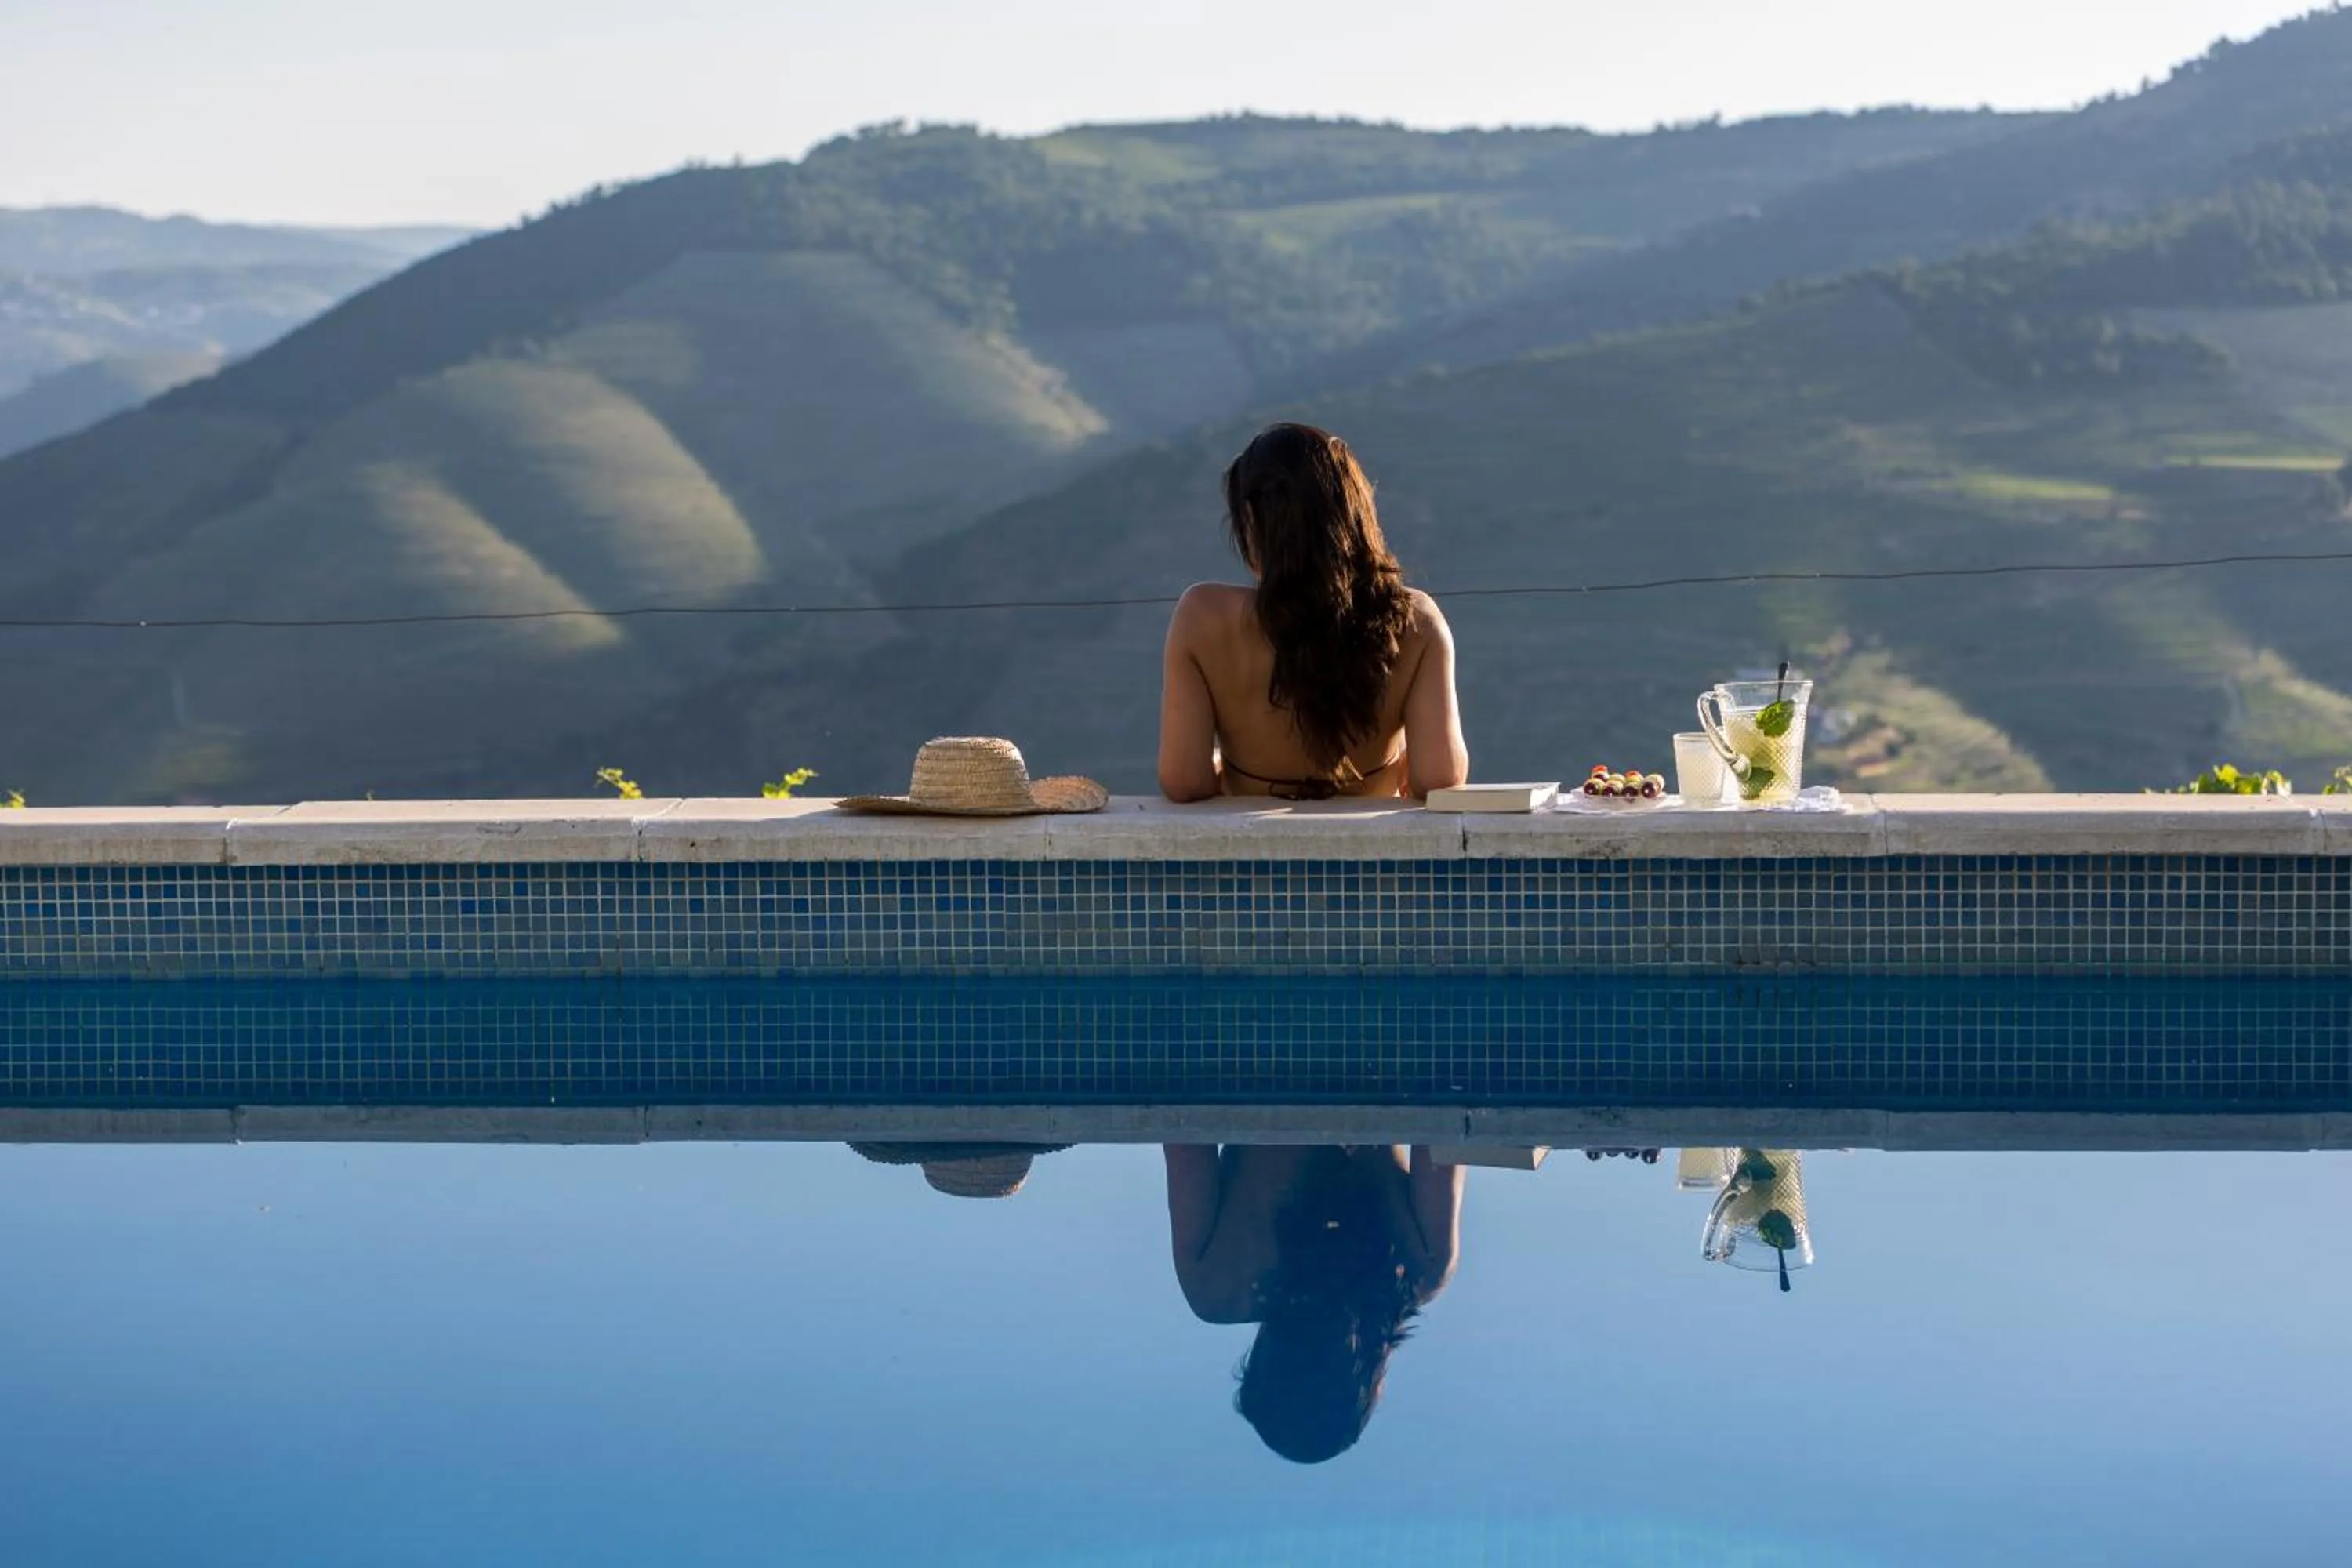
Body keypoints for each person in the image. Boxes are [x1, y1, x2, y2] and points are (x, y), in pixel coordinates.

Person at [1159, 423, 1469, 803]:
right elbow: (1438, 779)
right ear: (1356, 515)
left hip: (1249, 856)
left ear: (1252, 522)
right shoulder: (1415, 619)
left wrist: (1230, 770)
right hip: (1370, 855)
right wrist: (1397, 762)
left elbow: (1184, 782)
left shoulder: (1202, 617)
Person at [1163, 1144, 1465, 1464]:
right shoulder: (1214, 1289)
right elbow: (1183, 1135)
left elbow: (1452, 1125)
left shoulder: (1422, 1272)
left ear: (1370, 1386)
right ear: (1262, 1366)